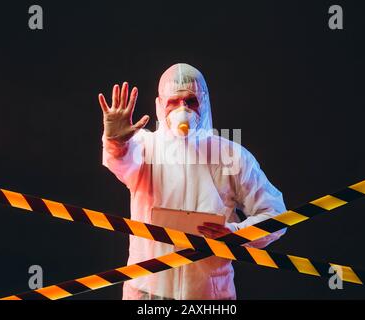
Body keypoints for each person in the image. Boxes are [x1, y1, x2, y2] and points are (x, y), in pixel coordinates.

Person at [98, 63, 287, 300]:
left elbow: (276, 215)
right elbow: (120, 161)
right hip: (147, 291)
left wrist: (235, 234)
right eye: (173, 102)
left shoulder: (231, 156)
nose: (183, 110)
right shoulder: (143, 147)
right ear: (159, 105)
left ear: (205, 102)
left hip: (210, 295)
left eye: (191, 101)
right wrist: (116, 142)